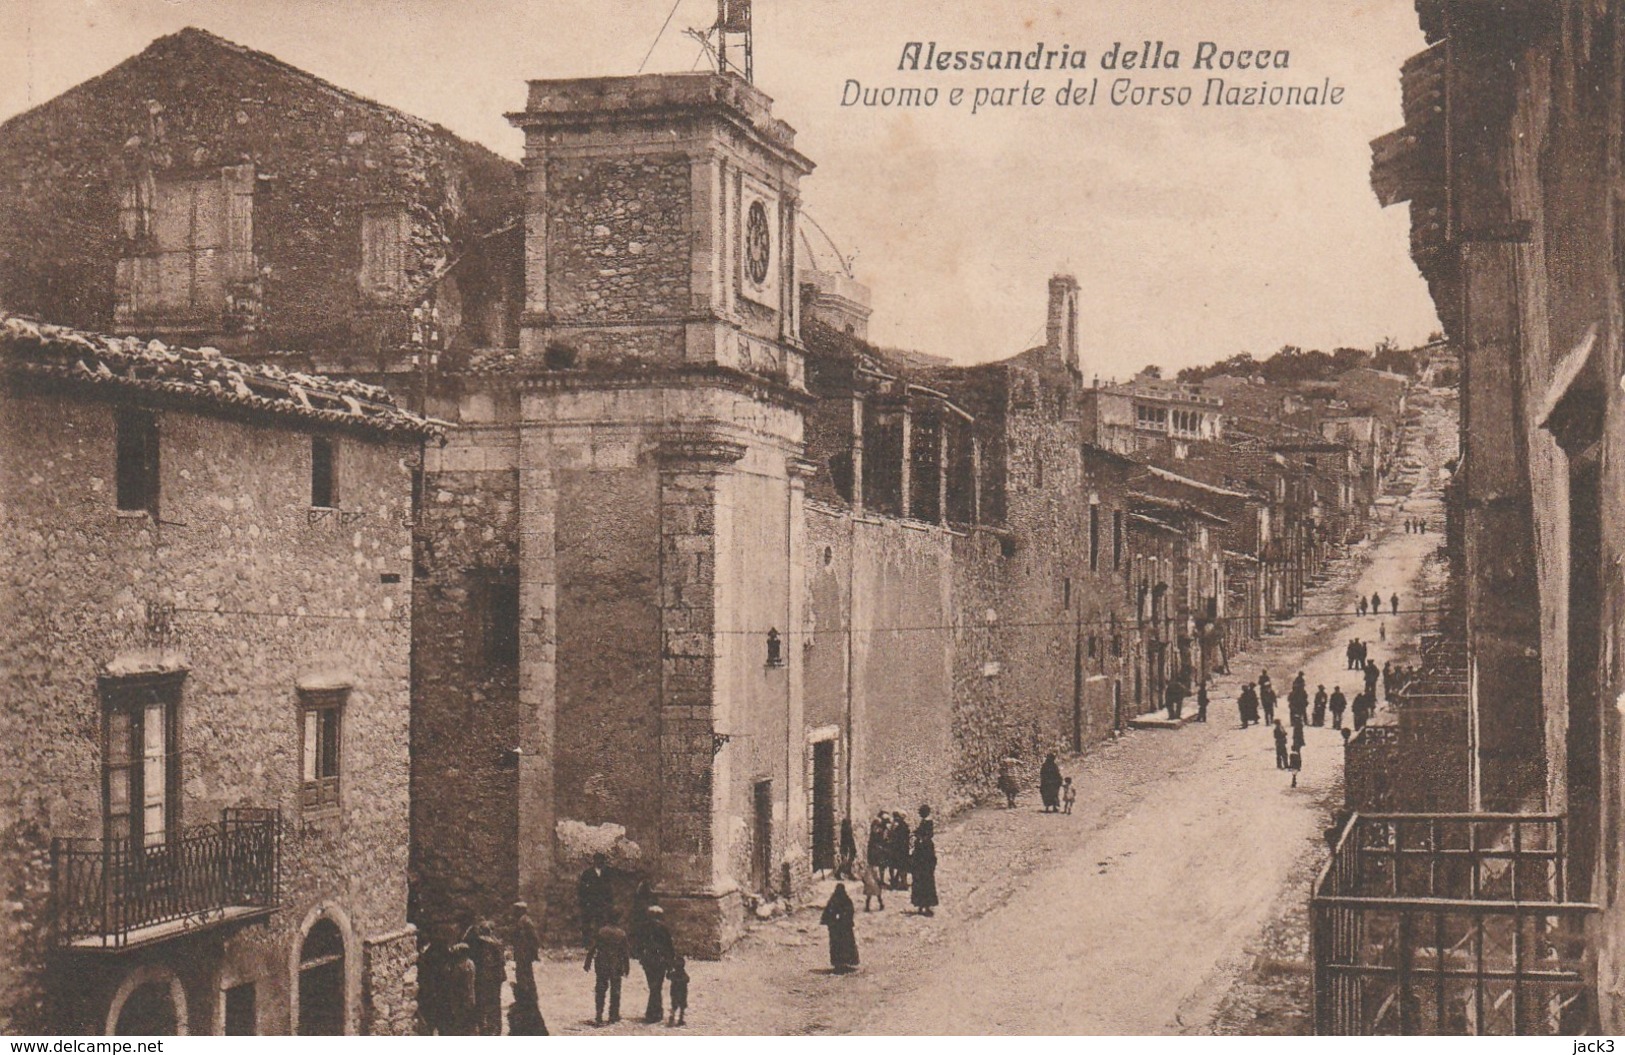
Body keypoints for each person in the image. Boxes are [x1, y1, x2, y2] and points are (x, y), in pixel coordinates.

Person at [509, 902, 547, 1036]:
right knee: (522, 974)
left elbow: (534, 938)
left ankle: (528, 994)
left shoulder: (526, 921)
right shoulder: (521, 921)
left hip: (524, 954)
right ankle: (526, 993)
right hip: (521, 953)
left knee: (525, 974)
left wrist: (533, 952)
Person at [583, 921, 631, 1026]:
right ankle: (613, 1016)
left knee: (600, 989)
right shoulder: (621, 933)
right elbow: (625, 952)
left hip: (602, 962)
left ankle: (599, 1014)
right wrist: (627, 967)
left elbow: (593, 947)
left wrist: (588, 962)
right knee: (616, 990)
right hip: (616, 964)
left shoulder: (601, 932)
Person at [636, 904, 674, 1024]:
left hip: (648, 960)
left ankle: (653, 1012)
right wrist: (670, 962)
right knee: (657, 985)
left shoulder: (644, 927)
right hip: (660, 960)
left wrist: (641, 957)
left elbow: (639, 944)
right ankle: (655, 1012)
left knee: (653, 985)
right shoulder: (664, 928)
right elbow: (669, 946)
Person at [470, 919, 506, 1036]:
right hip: (495, 977)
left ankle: (484, 1027)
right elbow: (502, 961)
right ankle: (494, 1028)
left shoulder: (479, 943)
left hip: (484, 977)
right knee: (494, 1003)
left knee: (482, 1002)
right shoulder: (497, 943)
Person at [821, 883, 860, 972]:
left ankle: (839, 963)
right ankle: (845, 962)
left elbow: (828, 913)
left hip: (837, 929)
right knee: (845, 945)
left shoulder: (833, 900)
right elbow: (850, 912)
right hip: (844, 929)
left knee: (837, 946)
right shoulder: (846, 900)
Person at [577, 853, 614, 946]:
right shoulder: (587, 873)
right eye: (597, 860)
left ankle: (600, 942)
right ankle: (586, 943)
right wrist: (584, 901)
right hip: (589, 902)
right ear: (594, 861)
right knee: (587, 923)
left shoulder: (606, 873)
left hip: (601, 903)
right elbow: (581, 889)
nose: (599, 862)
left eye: (601, 860)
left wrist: (608, 901)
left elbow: (609, 888)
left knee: (601, 922)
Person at [911, 804, 939, 916]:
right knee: (923, 882)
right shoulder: (924, 824)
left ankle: (925, 905)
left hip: (924, 863)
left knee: (924, 882)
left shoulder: (927, 825)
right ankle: (922, 905)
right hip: (922, 862)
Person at [447, 943, 477, 1036]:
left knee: (461, 1019)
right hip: (470, 993)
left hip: (461, 995)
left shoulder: (460, 965)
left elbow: (454, 980)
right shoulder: (471, 963)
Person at [887, 812, 912, 890]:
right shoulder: (904, 826)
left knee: (897, 865)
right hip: (901, 849)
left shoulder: (899, 827)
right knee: (899, 865)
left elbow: (894, 837)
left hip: (898, 849)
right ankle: (897, 880)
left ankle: (897, 881)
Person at [666, 955, 689, 1027]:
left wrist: (669, 970)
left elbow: (668, 977)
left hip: (674, 992)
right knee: (682, 1006)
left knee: (674, 1006)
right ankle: (680, 1019)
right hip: (682, 993)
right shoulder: (683, 974)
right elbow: (687, 979)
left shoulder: (674, 974)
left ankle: (672, 1018)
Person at [867, 812, 889, 877]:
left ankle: (880, 879)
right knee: (874, 863)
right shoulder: (877, 824)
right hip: (875, 846)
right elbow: (876, 834)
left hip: (880, 846)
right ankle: (874, 878)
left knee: (882, 864)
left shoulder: (883, 827)